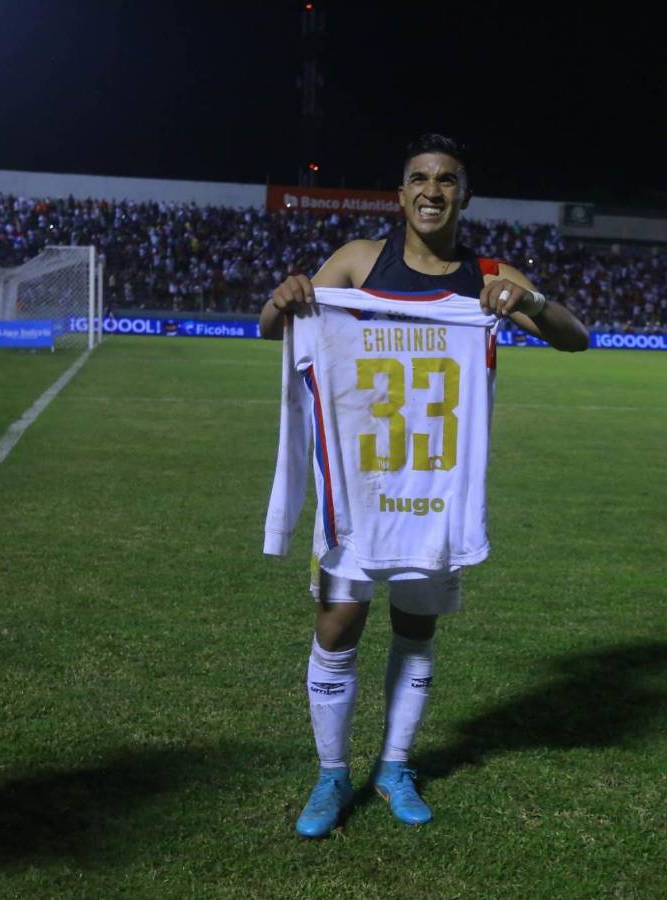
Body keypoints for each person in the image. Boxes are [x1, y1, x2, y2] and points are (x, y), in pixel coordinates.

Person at [260, 134, 588, 839]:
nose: (432, 190)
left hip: (434, 485)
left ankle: (394, 764)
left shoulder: (490, 278)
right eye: (419, 179)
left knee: (415, 625)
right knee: (338, 619)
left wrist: (530, 299)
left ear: (464, 195)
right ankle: (330, 773)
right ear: (401, 193)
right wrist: (283, 298)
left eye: (447, 180)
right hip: (356, 483)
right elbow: (272, 330)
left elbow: (574, 337)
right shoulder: (357, 260)